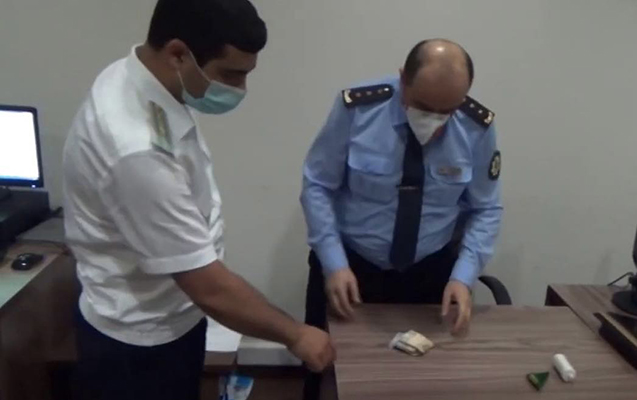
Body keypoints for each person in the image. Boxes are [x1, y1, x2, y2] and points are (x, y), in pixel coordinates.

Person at [63, 1, 335, 399]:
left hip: (167, 312)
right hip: (139, 345)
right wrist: (296, 334)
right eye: (231, 74)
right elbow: (209, 287)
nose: (240, 89)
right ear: (178, 53)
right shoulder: (136, 150)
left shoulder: (133, 75)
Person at [300, 39, 503, 399]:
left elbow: (485, 208)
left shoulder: (476, 126)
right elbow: (318, 184)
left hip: (429, 275)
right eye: (424, 106)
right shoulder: (358, 109)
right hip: (351, 268)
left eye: (447, 111)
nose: (435, 121)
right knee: (326, 375)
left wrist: (463, 275)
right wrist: (333, 262)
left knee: (419, 382)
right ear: (402, 80)